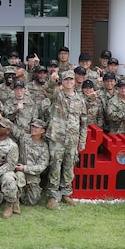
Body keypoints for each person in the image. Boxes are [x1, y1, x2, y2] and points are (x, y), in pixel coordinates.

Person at [44, 68, 87, 209]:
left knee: (69, 167)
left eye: (71, 79)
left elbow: (84, 122)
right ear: (62, 81)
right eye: (66, 79)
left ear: (75, 81)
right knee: (55, 166)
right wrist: (52, 80)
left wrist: (82, 141)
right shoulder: (58, 95)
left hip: (72, 139)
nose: (69, 82)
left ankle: (66, 194)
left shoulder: (80, 99)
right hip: (57, 138)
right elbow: (49, 91)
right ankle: (52, 195)